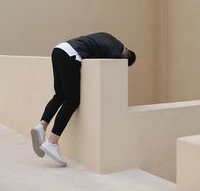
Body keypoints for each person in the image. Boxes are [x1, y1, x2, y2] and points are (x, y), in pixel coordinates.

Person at [31, 32, 136, 167]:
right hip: (71, 55)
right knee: (72, 100)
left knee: (60, 95)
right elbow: (108, 63)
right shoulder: (116, 51)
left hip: (59, 50)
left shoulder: (111, 39)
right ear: (125, 58)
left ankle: (41, 126)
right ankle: (52, 142)